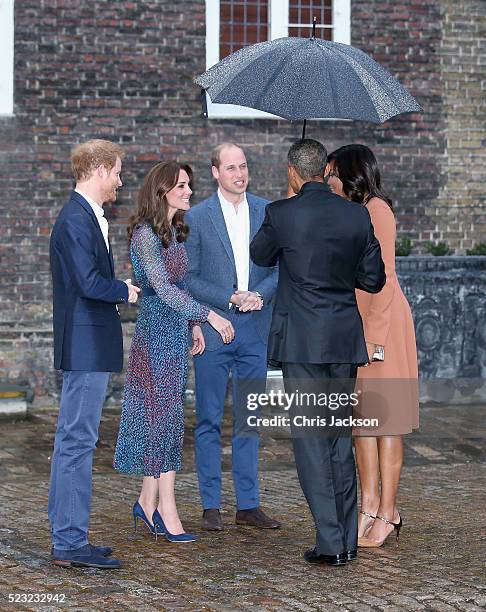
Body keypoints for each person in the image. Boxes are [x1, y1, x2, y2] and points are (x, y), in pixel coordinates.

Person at [250, 138, 386, 566]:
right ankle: (345, 538)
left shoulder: (281, 213)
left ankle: (331, 544)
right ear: (326, 172)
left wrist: (288, 215)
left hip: (303, 344)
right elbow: (373, 279)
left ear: (292, 172)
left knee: (312, 441)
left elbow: (259, 254)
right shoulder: (356, 215)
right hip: (343, 341)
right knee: (337, 440)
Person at [113, 161, 234, 542]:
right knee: (162, 421)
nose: (188, 191)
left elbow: (181, 285)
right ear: (161, 189)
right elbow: (163, 290)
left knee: (165, 419)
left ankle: (146, 503)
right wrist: (210, 316)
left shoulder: (175, 233)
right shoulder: (145, 235)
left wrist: (193, 324)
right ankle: (167, 509)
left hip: (176, 333)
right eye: (180, 185)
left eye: (188, 185)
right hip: (155, 335)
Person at [49, 139, 140, 569]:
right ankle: (68, 542)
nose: (120, 182)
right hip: (84, 347)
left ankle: (71, 536)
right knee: (76, 442)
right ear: (100, 169)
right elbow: (87, 282)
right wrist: (123, 289)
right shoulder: (75, 218)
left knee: (78, 441)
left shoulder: (86, 217)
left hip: (90, 346)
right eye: (118, 172)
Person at [184, 143, 280, 531]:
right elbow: (187, 278)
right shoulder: (196, 218)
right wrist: (228, 297)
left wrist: (261, 294)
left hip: (254, 330)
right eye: (230, 167)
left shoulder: (267, 212)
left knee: (249, 418)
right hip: (213, 329)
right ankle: (211, 505)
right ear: (214, 172)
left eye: (243, 166)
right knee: (208, 418)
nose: (239, 174)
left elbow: (281, 267)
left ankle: (248, 504)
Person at [327, 144, 419, 548]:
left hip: (382, 325)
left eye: (332, 172)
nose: (327, 179)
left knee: (387, 422)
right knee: (361, 423)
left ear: (350, 173)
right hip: (357, 324)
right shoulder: (349, 212)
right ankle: (367, 506)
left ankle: (389, 511)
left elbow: (383, 277)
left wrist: (374, 338)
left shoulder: (377, 210)